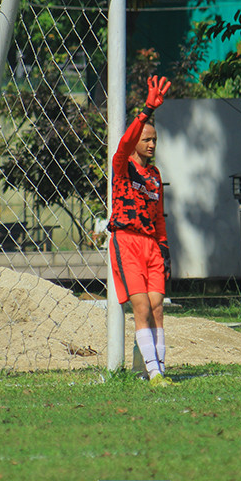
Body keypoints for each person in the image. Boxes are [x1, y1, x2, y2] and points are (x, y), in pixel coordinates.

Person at [109, 75, 174, 387]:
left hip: (151, 246)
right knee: (142, 308)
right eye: (147, 139)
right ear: (135, 140)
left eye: (155, 140)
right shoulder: (123, 165)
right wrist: (147, 110)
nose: (152, 144)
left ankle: (161, 369)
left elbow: (159, 215)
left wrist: (164, 247)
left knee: (158, 307)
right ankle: (154, 373)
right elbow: (123, 142)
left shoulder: (155, 175)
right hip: (127, 242)